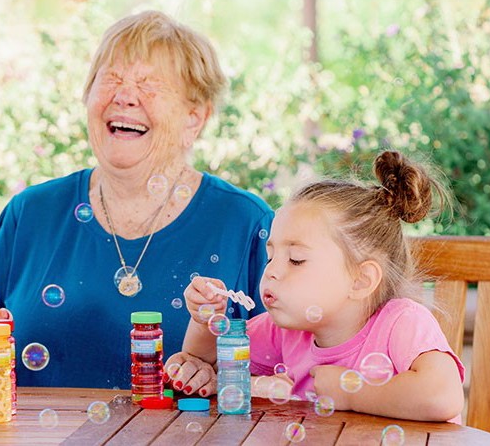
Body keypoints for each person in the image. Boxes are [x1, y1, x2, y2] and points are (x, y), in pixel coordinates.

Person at [0, 10, 272, 389]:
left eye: (149, 84)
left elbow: (286, 374)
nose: (125, 96)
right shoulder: (30, 213)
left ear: (194, 118)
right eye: (111, 78)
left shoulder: (245, 224)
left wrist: (223, 377)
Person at [177, 151, 465, 422]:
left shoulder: (402, 322)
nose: (271, 271)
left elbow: (442, 396)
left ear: (361, 280)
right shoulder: (285, 330)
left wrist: (349, 392)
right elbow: (209, 361)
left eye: (296, 260)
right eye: (271, 256)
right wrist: (205, 318)